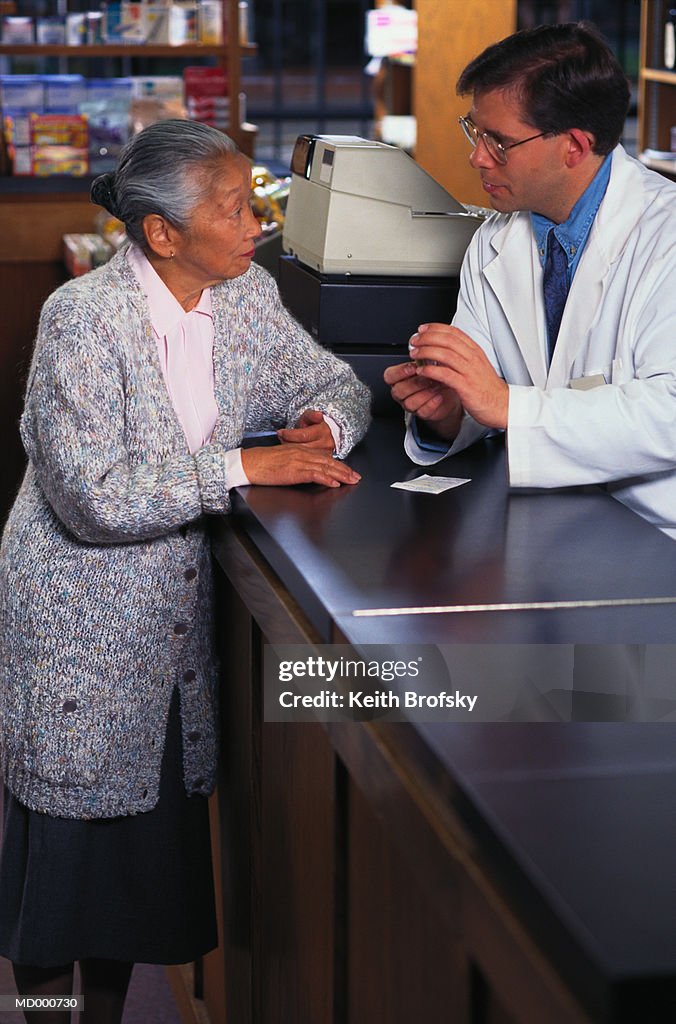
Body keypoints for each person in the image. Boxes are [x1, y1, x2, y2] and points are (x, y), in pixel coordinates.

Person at [0, 118, 370, 1023]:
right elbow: (93, 499)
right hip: (79, 633)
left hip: (168, 640)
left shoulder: (243, 297)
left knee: (133, 891)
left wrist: (325, 425)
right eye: (237, 207)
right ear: (163, 232)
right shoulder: (81, 319)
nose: (259, 225)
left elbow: (335, 382)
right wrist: (245, 466)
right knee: (58, 899)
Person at [385, 22, 676, 539]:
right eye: (475, 131)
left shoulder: (666, 237)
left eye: (498, 141)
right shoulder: (495, 239)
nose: (477, 156)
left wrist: (506, 404)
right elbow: (489, 398)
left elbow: (669, 414)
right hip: (541, 523)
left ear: (574, 146)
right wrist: (449, 413)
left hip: (653, 536)